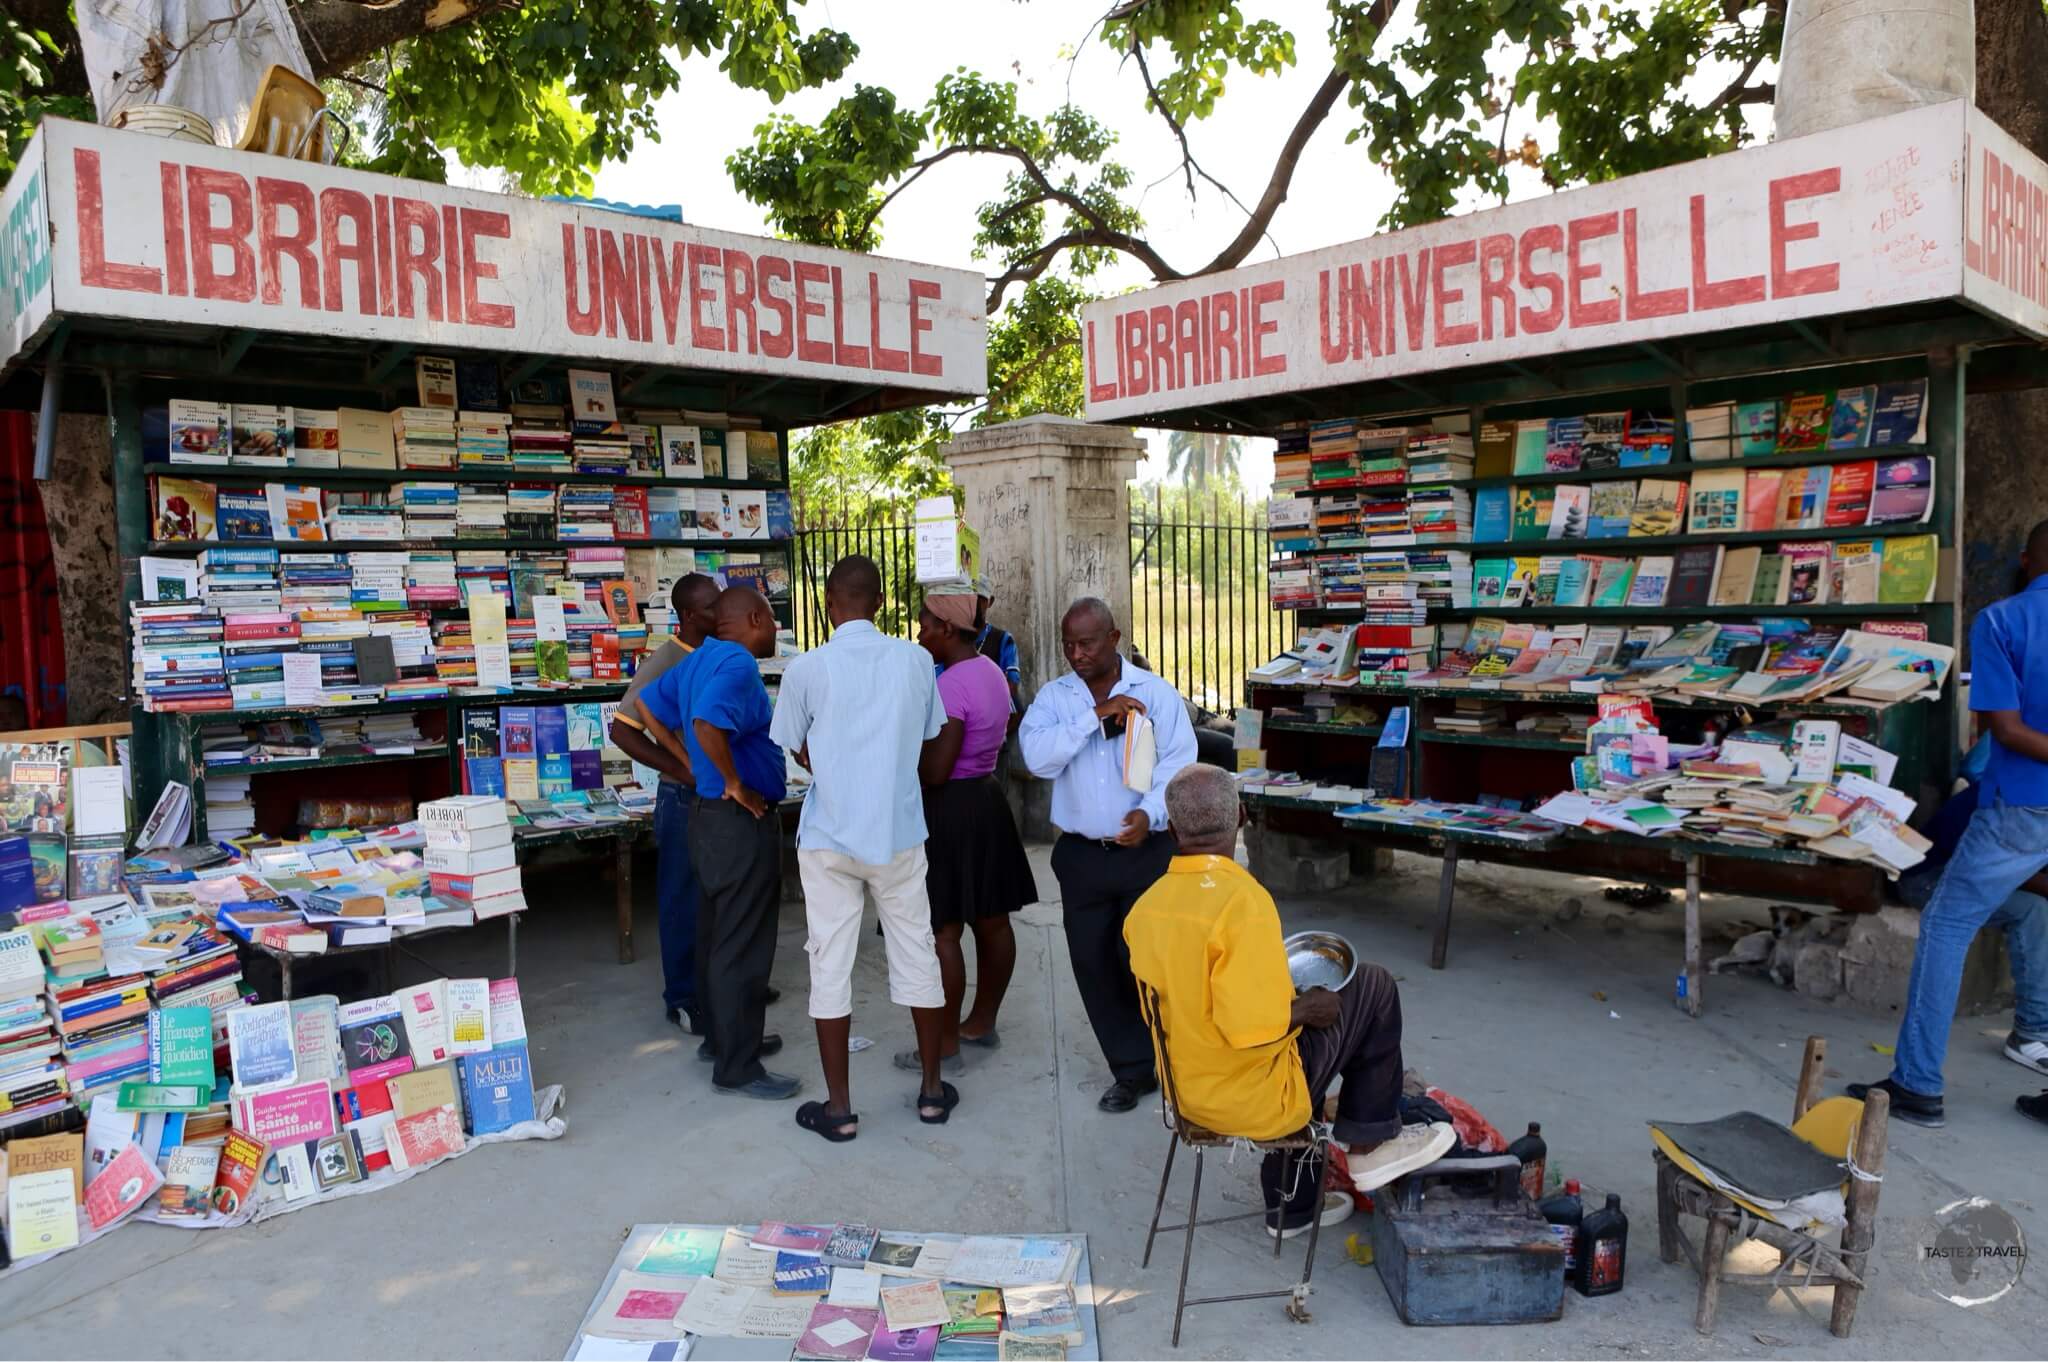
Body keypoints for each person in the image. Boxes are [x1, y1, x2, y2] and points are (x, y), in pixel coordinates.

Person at [1124, 766, 1455, 1236]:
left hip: (1185, 1093)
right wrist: (1307, 1008)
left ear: (1173, 829)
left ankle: (1292, 1211)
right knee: (1372, 988)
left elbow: (1191, 1004)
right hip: (1253, 1100)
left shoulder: (1146, 908)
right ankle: (1370, 1148)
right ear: (1240, 817)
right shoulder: (1244, 901)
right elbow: (1251, 1027)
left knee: (1313, 1036)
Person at [1852, 519, 2048, 1129]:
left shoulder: (2004, 620)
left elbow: (2007, 731)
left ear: (2023, 561)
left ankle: (1917, 1085)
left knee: (1945, 926)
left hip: (2022, 803)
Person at [769, 555, 956, 1141]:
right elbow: (930, 738)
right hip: (897, 833)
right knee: (917, 951)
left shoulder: (807, 668)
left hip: (829, 836)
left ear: (828, 605)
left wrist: (827, 760)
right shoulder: (917, 661)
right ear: (878, 603)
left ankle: (840, 1110)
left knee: (829, 961)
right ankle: (931, 1092)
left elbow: (792, 747)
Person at [1019, 596, 1197, 1113]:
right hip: (1082, 857)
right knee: (1093, 963)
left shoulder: (1155, 693)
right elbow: (1036, 758)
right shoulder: (1055, 700)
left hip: (1145, 854)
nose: (1075, 654)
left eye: (1087, 643)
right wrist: (1093, 719)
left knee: (1145, 963)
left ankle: (1177, 1061)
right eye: (1068, 644)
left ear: (1114, 639)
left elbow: (1178, 764)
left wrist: (1150, 814)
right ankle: (1132, 1071)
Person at [622, 586, 798, 1101]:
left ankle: (722, 1041)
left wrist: (687, 761)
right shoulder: (738, 665)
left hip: (705, 817)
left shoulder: (699, 661)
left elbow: (650, 709)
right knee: (743, 944)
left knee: (715, 932)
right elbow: (706, 723)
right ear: (753, 617)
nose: (774, 632)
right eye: (771, 621)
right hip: (735, 820)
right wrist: (733, 782)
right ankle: (736, 1067)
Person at [896, 590, 1038, 1074]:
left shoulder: (950, 686)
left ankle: (945, 1044)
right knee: (993, 920)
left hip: (949, 808)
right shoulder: (992, 672)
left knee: (944, 932)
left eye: (927, 626)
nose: (921, 634)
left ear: (949, 630)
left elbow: (936, 769)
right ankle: (981, 1022)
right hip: (986, 798)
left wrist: (900, 755)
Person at [609, 574, 719, 1035]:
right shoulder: (667, 660)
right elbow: (621, 729)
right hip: (682, 797)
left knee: (717, 894)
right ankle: (683, 998)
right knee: (681, 899)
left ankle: (717, 983)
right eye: (713, 606)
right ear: (689, 615)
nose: (723, 610)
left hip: (714, 795)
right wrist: (679, 770)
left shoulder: (718, 652)